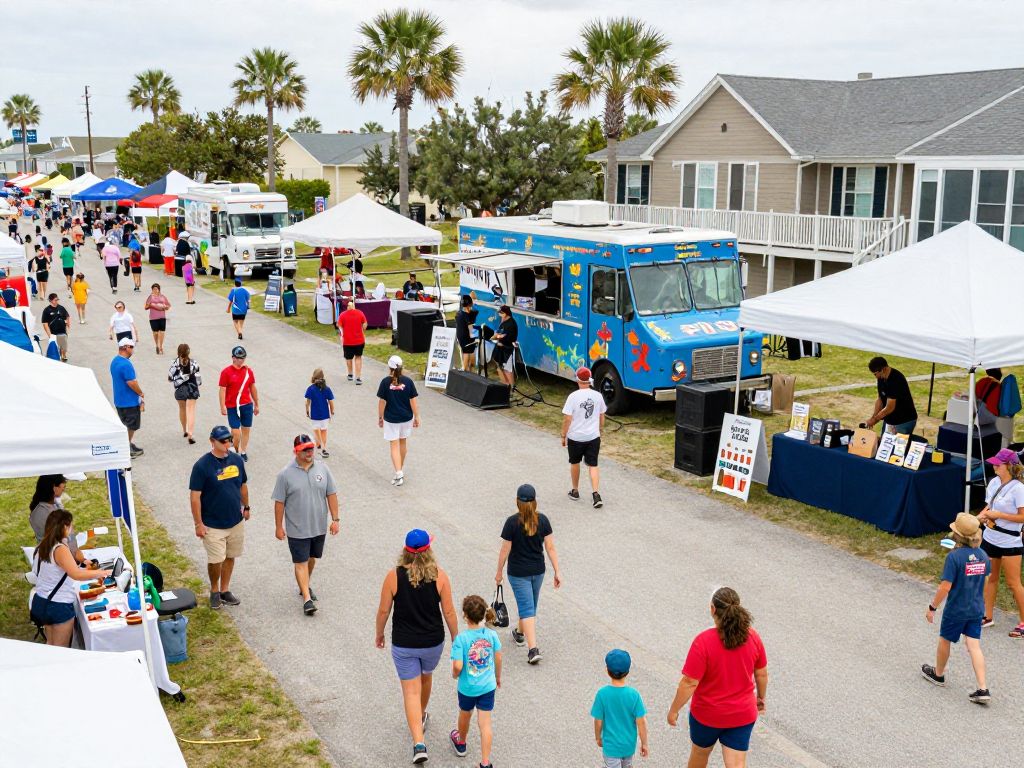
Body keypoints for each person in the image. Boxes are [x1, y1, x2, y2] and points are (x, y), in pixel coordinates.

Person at [374, 529, 459, 765]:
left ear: (406, 551)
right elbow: (449, 612)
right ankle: (420, 715)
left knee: (410, 690)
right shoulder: (440, 576)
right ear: (428, 550)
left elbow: (383, 610)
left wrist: (379, 633)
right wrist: (456, 638)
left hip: (404, 643)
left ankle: (419, 743)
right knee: (426, 677)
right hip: (433, 642)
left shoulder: (394, 576)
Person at [667, 588, 768, 768]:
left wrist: (674, 709)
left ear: (712, 609)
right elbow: (761, 673)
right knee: (736, 764)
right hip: (742, 715)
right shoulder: (753, 636)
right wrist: (760, 697)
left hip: (707, 715)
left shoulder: (703, 642)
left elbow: (689, 682)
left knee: (699, 754)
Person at [921, 513, 991, 704]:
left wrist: (932, 607)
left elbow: (945, 587)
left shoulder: (954, 557)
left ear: (957, 535)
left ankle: (939, 674)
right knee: (974, 645)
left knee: (945, 640)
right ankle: (982, 688)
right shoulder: (983, 556)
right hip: (976, 609)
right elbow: (985, 583)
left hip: (956, 610)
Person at [272, 434, 340, 616]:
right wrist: (279, 527)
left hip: (318, 526)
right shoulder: (285, 474)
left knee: (311, 559)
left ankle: (304, 586)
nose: (310, 452)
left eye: (311, 448)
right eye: (305, 449)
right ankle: (307, 599)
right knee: (300, 561)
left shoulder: (323, 469)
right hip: (297, 528)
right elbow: (279, 503)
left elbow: (331, 494)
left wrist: (335, 519)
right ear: (296, 451)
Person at [495, 483, 562, 665]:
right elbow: (550, 547)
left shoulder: (511, 523)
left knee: (528, 608)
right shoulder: (543, 521)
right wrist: (557, 571)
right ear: (535, 502)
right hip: (538, 571)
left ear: (517, 502)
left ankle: (526, 643)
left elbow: (505, 550)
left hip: (518, 573)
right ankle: (532, 647)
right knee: (529, 608)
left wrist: (499, 572)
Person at [189, 425, 249, 609]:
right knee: (216, 560)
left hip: (235, 521)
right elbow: (195, 497)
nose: (227, 443)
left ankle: (224, 590)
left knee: (230, 556)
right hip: (212, 524)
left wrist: (246, 506)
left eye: (229, 439)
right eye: (223, 441)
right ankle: (214, 590)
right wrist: (198, 523)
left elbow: (243, 485)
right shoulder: (202, 466)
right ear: (212, 441)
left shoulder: (237, 460)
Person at [31, 510, 111, 646]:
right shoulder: (60, 548)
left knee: (50, 644)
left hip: (41, 601)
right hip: (57, 606)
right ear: (64, 527)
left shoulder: (42, 546)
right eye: (71, 526)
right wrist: (103, 573)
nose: (72, 529)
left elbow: (51, 571)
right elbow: (76, 574)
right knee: (61, 650)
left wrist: (83, 569)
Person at [448, 595, 502, 765]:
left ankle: (461, 742)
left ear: (465, 616)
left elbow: (458, 666)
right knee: (485, 724)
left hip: (467, 687)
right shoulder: (492, 635)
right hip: (487, 686)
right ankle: (485, 762)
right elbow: (498, 658)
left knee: (465, 713)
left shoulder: (461, 640)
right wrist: (497, 677)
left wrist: (455, 675)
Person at [976, 448, 1024, 635]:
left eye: (998, 463)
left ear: (1009, 466)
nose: (994, 465)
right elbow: (990, 505)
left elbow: (1022, 517)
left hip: (1010, 542)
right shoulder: (994, 482)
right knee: (990, 578)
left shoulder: (1019, 489)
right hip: (990, 537)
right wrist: (979, 517)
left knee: (1013, 583)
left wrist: (999, 515)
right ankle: (987, 616)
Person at [591, 649, 649, 768]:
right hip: (628, 745)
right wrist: (644, 744)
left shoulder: (602, 694)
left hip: (610, 746)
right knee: (627, 765)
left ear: (607, 670)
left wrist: (598, 737)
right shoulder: (634, 695)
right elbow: (641, 722)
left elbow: (598, 721)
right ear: (627, 671)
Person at [562, 366, 607, 508]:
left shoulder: (573, 397)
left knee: (575, 463)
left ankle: (575, 490)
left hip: (576, 437)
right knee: (593, 464)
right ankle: (595, 494)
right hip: (593, 436)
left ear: (578, 380)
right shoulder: (598, 396)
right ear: (589, 380)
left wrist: (563, 435)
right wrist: (600, 429)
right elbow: (602, 415)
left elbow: (567, 419)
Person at [377, 355, 420, 487]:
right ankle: (399, 468)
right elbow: (413, 400)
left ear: (389, 367)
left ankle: (399, 472)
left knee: (394, 446)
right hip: (406, 418)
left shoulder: (385, 382)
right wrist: (417, 416)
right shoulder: (408, 381)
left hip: (391, 419)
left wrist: (380, 417)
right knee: (403, 443)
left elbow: (382, 402)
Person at [28, 474, 87, 566]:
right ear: (54, 488)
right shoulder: (54, 515)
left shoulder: (37, 510)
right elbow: (69, 542)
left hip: (44, 557)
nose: (64, 491)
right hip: (60, 561)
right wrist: (81, 560)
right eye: (63, 489)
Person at [219, 345, 259, 461]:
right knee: (236, 432)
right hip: (232, 406)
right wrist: (222, 406)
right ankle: (235, 451)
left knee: (246, 429)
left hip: (246, 405)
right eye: (238, 358)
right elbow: (222, 390)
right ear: (233, 358)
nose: (241, 360)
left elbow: (252, 388)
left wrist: (257, 404)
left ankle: (243, 451)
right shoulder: (226, 372)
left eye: (243, 358)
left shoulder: (248, 371)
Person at [866, 356, 918, 435]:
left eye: (875, 374)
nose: (876, 377)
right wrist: (873, 417)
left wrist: (875, 420)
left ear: (883, 369)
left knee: (897, 446)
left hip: (903, 421)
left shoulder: (896, 380)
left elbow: (889, 407)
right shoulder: (881, 378)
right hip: (890, 420)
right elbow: (880, 399)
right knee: (885, 443)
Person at [111, 338, 145, 458]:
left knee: (126, 424)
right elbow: (131, 382)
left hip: (119, 400)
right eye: (131, 347)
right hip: (129, 402)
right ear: (125, 347)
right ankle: (126, 448)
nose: (133, 350)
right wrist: (141, 393)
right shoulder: (126, 364)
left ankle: (128, 444)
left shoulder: (115, 361)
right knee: (131, 426)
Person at [168, 343, 201, 444]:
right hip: (192, 388)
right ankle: (190, 433)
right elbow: (198, 377)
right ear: (189, 352)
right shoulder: (194, 363)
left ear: (178, 352)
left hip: (180, 390)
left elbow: (169, 378)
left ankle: (184, 430)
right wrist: (198, 384)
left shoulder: (175, 363)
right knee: (191, 410)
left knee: (182, 409)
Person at [304, 368, 335, 458]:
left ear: (313, 377)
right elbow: (330, 401)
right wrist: (332, 410)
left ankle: (322, 447)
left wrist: (307, 410)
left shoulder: (310, 389)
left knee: (316, 430)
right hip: (325, 414)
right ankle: (321, 445)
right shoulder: (326, 388)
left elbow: (307, 402)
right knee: (324, 430)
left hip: (315, 414)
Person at [338, 300, 367, 384]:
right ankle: (358, 378)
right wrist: (362, 330)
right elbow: (365, 324)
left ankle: (350, 374)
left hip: (347, 341)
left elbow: (339, 325)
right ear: (354, 306)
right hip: (359, 340)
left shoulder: (342, 315)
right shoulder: (360, 313)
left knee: (348, 358)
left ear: (347, 307)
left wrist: (342, 333)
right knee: (358, 357)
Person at [491, 305, 518, 387]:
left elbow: (505, 337)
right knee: (499, 367)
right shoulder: (503, 321)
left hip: (507, 349)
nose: (499, 315)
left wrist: (497, 337)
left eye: (501, 313)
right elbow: (499, 333)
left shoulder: (511, 324)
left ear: (506, 313)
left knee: (508, 369)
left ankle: (511, 387)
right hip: (500, 348)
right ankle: (505, 384)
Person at [40, 293, 71, 362]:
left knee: (64, 347)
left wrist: (68, 324)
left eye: (57, 300)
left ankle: (63, 355)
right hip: (53, 333)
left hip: (63, 332)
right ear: (50, 300)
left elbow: (67, 316)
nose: (57, 301)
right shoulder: (47, 310)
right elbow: (45, 324)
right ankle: (59, 358)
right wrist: (49, 335)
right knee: (56, 348)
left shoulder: (61, 308)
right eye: (55, 300)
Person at [143, 283, 171, 355]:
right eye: (153, 289)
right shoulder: (150, 297)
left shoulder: (163, 297)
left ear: (159, 290)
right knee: (155, 333)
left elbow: (168, 305)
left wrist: (165, 307)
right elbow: (145, 307)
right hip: (153, 318)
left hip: (162, 317)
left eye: (156, 289)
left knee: (162, 332)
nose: (155, 290)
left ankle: (161, 346)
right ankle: (157, 345)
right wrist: (150, 305)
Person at [455, 293, 479, 371]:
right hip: (466, 336)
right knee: (467, 353)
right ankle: (466, 370)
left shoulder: (458, 313)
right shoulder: (468, 316)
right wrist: (475, 337)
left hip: (460, 335)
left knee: (466, 352)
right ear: (470, 305)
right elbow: (471, 330)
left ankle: (467, 370)